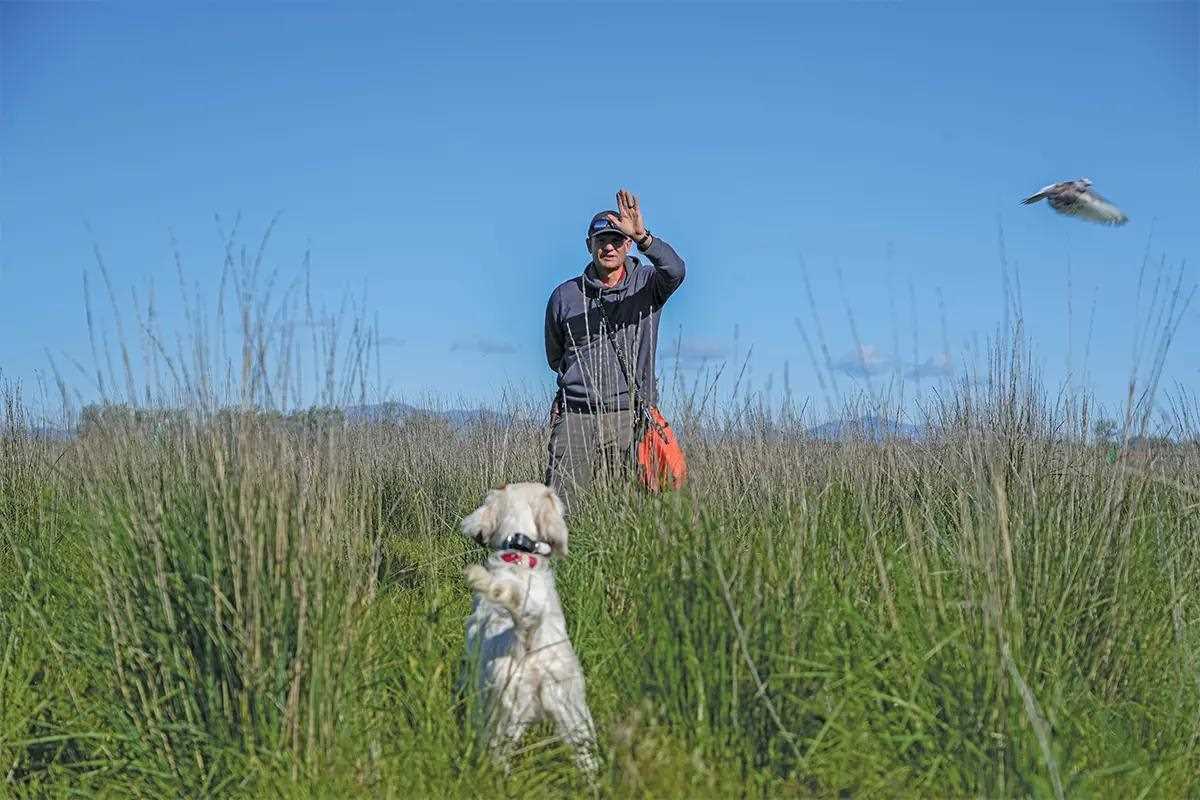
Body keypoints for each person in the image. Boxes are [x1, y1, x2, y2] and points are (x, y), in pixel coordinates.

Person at [543, 189, 686, 514]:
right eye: (601, 241)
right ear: (589, 245)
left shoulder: (647, 285)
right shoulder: (564, 296)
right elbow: (556, 356)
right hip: (576, 416)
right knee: (561, 511)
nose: (609, 247)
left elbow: (676, 271)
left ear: (628, 245)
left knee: (631, 513)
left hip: (630, 416)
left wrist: (644, 236)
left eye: (617, 240)